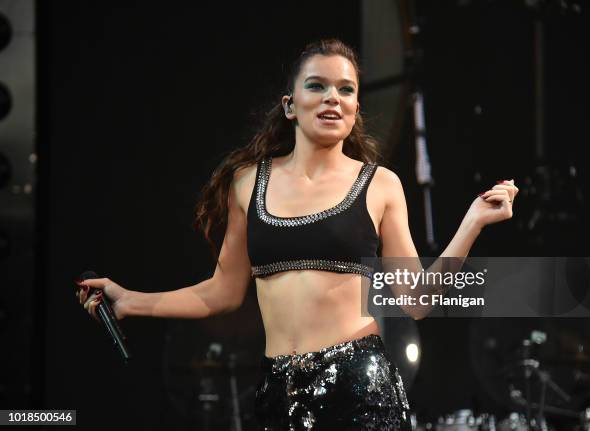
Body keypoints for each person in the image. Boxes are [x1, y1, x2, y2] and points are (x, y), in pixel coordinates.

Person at [75, 38, 519, 430]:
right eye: (317, 86)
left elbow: (417, 302)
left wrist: (473, 221)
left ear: (356, 108)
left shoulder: (380, 184)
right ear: (290, 105)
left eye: (346, 90)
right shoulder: (247, 183)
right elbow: (222, 293)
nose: (333, 98)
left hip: (360, 391)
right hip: (278, 392)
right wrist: (132, 301)